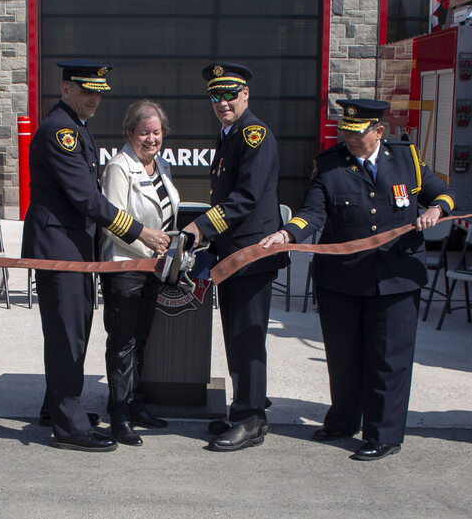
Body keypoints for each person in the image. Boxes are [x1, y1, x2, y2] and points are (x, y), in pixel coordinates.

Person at [258, 99, 453, 461]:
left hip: (396, 277)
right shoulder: (330, 165)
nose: (348, 138)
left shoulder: (407, 159)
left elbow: (442, 192)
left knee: (388, 358)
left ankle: (384, 434)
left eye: (356, 133)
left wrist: (436, 209)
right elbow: (313, 213)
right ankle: (343, 421)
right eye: (344, 131)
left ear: (379, 131)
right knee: (344, 356)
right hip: (343, 279)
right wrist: (287, 235)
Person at [22, 60, 171, 452]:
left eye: (99, 92)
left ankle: (56, 408)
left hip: (72, 249)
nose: (94, 99)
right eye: (86, 90)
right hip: (60, 250)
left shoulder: (75, 127)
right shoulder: (61, 131)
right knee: (67, 336)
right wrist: (141, 232)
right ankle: (67, 426)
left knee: (71, 332)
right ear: (65, 88)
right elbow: (88, 199)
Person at [181, 62, 287, 452]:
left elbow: (245, 198)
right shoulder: (230, 134)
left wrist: (199, 228)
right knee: (237, 338)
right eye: (215, 95)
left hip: (252, 257)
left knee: (247, 339)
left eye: (230, 94)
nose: (222, 102)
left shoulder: (254, 135)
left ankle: (251, 421)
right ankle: (244, 408)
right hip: (233, 256)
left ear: (246, 95)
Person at [98, 100, 179, 446]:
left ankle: (136, 405)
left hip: (153, 268)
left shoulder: (161, 166)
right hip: (125, 267)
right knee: (122, 343)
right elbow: (111, 223)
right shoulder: (119, 167)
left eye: (156, 132)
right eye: (144, 131)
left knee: (141, 338)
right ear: (129, 132)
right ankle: (118, 415)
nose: (151, 138)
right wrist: (150, 245)